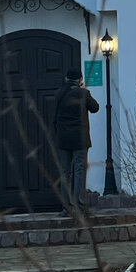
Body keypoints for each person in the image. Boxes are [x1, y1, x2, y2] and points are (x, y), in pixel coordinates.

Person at [53, 66, 99, 214]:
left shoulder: (59, 93)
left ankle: (66, 206)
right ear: (80, 80)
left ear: (66, 78)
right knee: (79, 170)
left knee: (65, 172)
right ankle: (79, 204)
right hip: (80, 138)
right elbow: (95, 108)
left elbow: (55, 116)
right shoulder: (83, 93)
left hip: (64, 139)